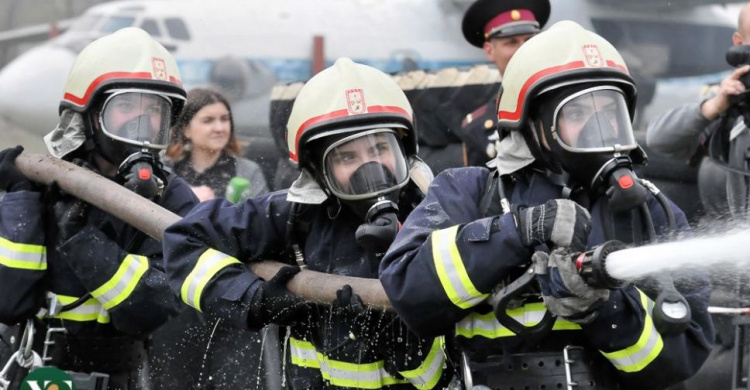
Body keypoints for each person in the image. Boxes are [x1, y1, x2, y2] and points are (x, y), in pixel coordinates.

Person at [380, 21, 714, 390]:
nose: (598, 129)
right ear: (532, 124)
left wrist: (605, 309)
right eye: (576, 114)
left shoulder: (647, 210)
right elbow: (409, 291)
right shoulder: (467, 192)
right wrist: (518, 231)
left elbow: (683, 357)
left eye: (609, 112)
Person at [163, 58, 452, 390]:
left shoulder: (436, 214)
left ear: (403, 148)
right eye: (347, 156)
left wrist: (401, 336)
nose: (369, 168)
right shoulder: (295, 215)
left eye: (379, 148)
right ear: (317, 169)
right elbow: (184, 241)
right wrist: (254, 299)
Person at [0, 27, 198, 389]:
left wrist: (81, 241)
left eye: (154, 110)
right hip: (27, 372)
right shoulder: (42, 183)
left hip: (114, 377)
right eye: (125, 106)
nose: (141, 123)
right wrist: (21, 199)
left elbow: (147, 309)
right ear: (89, 115)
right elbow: (7, 301)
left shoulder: (172, 201)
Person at [646, 3, 750, 388]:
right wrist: (715, 106)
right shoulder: (731, 106)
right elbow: (659, 140)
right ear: (739, 46)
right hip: (732, 301)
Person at [457, 0, 550, 167]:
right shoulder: (477, 128)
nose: (524, 49)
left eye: (529, 39)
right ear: (489, 50)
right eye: (511, 42)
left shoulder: (570, 105)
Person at [165, 87, 268, 202]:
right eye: (208, 120)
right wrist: (186, 196)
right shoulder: (167, 171)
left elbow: (258, 217)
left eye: (224, 119)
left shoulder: (248, 172)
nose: (219, 128)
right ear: (186, 129)